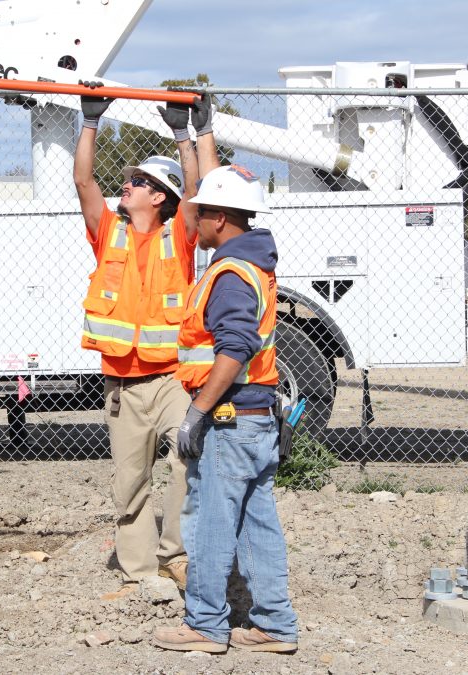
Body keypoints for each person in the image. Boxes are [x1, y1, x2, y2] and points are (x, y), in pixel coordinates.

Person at [153, 164, 299, 653]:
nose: (192, 222)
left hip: (230, 420)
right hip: (256, 420)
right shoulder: (253, 266)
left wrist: (196, 413)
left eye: (198, 214)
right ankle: (275, 624)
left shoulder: (231, 274)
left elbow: (233, 347)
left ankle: (205, 624)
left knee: (210, 523)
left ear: (218, 218)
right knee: (258, 525)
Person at [74, 84, 213, 597]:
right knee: (129, 483)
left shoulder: (178, 236)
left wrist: (184, 134)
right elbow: (83, 180)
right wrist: (89, 121)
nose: (125, 185)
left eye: (137, 181)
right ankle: (140, 573)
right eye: (129, 178)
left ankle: (174, 554)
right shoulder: (107, 231)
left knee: (186, 462)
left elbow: (197, 193)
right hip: (123, 386)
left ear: (159, 195)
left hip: (172, 380)